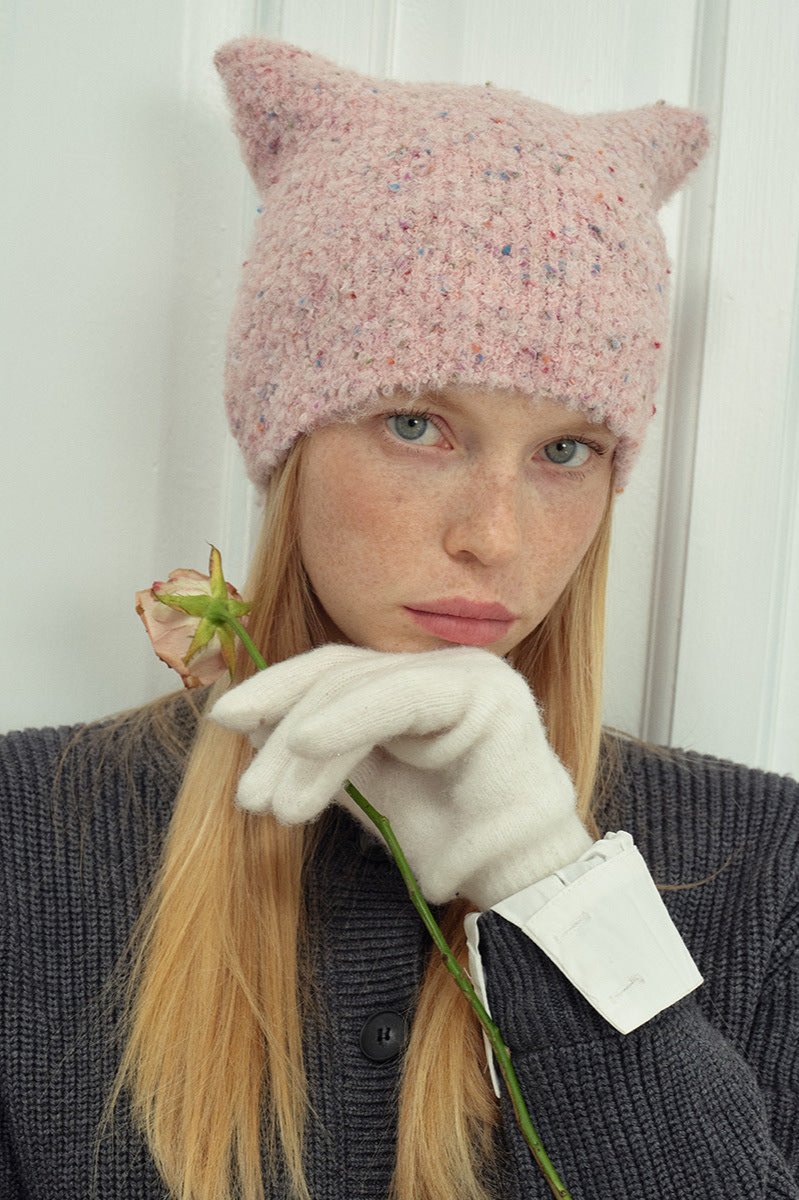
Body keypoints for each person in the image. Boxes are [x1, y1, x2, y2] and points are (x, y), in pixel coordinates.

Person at [1, 34, 797, 1200]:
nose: (496, 534)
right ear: (288, 439)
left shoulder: (762, 868)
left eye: (565, 449)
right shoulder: (28, 838)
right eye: (419, 425)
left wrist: (548, 886)